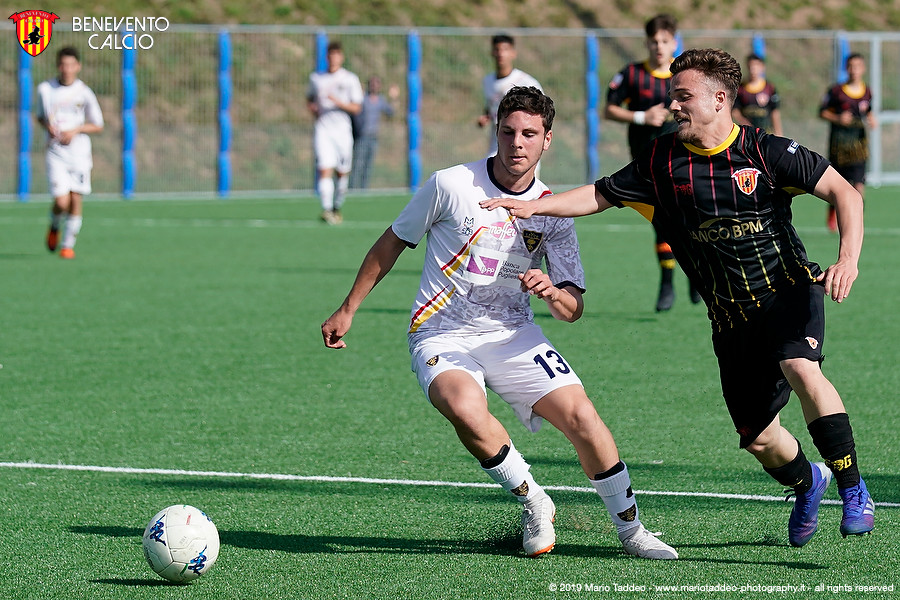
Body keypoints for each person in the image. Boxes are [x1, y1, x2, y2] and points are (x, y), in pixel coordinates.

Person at [482, 49, 874, 548]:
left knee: (801, 367)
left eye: (684, 96)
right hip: (730, 320)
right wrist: (532, 206)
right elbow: (598, 195)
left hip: (787, 292)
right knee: (760, 438)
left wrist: (849, 259)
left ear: (719, 99)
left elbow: (847, 194)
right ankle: (809, 482)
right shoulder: (661, 160)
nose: (675, 106)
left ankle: (853, 487)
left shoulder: (768, 152)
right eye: (673, 97)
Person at [323, 86, 678, 560]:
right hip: (441, 329)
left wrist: (553, 291)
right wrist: (349, 307)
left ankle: (632, 532)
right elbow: (392, 242)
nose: (517, 143)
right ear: (496, 130)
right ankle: (533, 499)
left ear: (547, 140)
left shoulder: (555, 210)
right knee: (463, 406)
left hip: (513, 332)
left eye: (529, 134)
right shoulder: (450, 185)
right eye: (508, 131)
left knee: (583, 418)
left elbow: (573, 308)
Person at [605, 14, 699, 312]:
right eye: (654, 41)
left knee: (690, 218)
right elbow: (608, 109)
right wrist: (641, 117)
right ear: (647, 42)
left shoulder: (684, 74)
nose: (659, 46)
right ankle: (668, 281)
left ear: (674, 41)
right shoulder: (632, 74)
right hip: (647, 163)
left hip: (683, 159)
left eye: (665, 41)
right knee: (662, 222)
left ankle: (693, 276)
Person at [36, 46, 104, 260]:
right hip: (56, 152)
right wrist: (47, 126)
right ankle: (55, 224)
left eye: (71, 65)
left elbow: (98, 124)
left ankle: (67, 245)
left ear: (78, 66)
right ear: (58, 66)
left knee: (76, 198)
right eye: (63, 65)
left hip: (79, 153)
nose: (67, 69)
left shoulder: (84, 92)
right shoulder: (45, 89)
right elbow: (40, 116)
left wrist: (75, 130)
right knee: (61, 201)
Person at [307, 41, 364, 225]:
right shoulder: (316, 78)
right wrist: (313, 108)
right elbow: (310, 99)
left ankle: (336, 206)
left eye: (337, 54)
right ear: (327, 57)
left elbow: (356, 107)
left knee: (342, 172)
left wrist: (337, 102)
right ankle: (326, 209)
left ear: (341, 57)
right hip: (323, 128)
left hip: (342, 130)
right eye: (331, 54)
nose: (333, 58)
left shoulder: (349, 79)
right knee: (324, 168)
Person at [820, 53, 876, 232]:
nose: (854, 70)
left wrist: (871, 119)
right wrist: (838, 118)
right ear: (847, 68)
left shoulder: (867, 91)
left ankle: (857, 219)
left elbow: (868, 111)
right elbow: (822, 112)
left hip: (859, 146)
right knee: (837, 183)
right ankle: (832, 212)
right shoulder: (836, 91)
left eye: (858, 66)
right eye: (851, 66)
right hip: (839, 145)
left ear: (863, 69)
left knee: (859, 184)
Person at [477, 34, 542, 158]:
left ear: (513, 53)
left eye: (505, 49)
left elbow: (541, 116)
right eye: (497, 49)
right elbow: (492, 106)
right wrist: (486, 116)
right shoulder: (488, 81)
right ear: (492, 53)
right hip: (497, 148)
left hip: (522, 151)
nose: (501, 54)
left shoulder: (527, 82)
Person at [349, 76, 399, 190]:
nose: (374, 86)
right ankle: (351, 189)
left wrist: (394, 98)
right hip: (362, 137)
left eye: (377, 84)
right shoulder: (362, 99)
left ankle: (364, 190)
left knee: (368, 166)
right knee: (357, 165)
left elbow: (391, 112)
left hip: (373, 137)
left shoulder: (381, 100)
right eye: (372, 84)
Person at [732, 54, 783, 136]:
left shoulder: (769, 88)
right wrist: (745, 124)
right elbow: (735, 111)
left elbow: (775, 112)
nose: (753, 70)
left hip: (767, 134)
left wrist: (779, 133)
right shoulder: (740, 89)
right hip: (748, 135)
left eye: (756, 66)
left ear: (762, 67)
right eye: (751, 66)